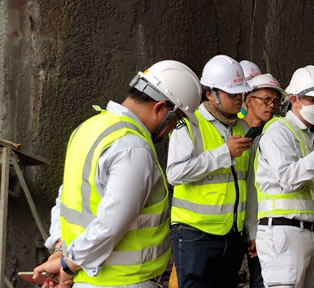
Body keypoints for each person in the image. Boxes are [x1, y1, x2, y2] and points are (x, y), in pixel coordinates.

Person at [33, 60, 202, 287]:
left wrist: (62, 250)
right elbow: (111, 222)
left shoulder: (88, 129)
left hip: (89, 279)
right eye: (178, 119)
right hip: (126, 281)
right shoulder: (134, 147)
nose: (173, 128)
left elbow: (67, 199)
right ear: (160, 108)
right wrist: (67, 264)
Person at [166, 55, 253, 288]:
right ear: (210, 94)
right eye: (231, 94)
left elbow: (249, 183)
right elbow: (175, 174)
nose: (238, 100)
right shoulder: (189, 123)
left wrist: (251, 230)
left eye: (240, 94)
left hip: (233, 234)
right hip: (196, 234)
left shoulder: (243, 127)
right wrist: (224, 153)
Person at [254, 65, 314, 288]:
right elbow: (288, 179)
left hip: (307, 233)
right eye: (313, 99)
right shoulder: (277, 131)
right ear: (294, 99)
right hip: (283, 235)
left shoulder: (308, 137)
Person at [243, 73, 288, 288]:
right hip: (229, 226)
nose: (271, 106)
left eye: (275, 101)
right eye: (266, 100)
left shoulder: (274, 134)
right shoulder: (237, 133)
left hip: (262, 227)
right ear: (249, 100)